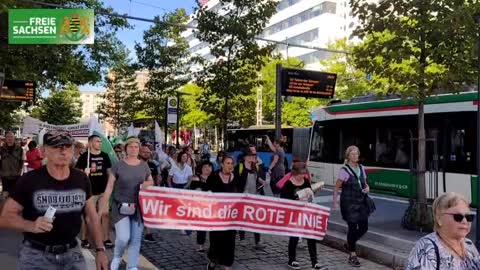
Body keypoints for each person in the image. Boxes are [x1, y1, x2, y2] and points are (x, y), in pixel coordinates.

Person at [0, 130, 108, 269]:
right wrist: (31, 225)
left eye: (67, 146)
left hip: (72, 254)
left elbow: (91, 216)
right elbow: (5, 218)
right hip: (37, 256)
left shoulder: (81, 179)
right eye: (56, 147)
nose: (63, 151)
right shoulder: (29, 180)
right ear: (44, 150)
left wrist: (100, 250)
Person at [98, 137, 154, 270]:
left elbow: (151, 181)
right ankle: (117, 256)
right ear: (126, 148)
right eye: (130, 146)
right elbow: (109, 187)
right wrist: (103, 206)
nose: (133, 149)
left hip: (138, 208)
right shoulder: (118, 165)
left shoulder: (144, 165)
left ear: (139, 149)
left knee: (135, 239)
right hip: (120, 207)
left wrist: (147, 183)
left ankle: (132, 266)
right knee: (123, 237)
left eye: (136, 147)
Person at [406, 192, 480, 270]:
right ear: (439, 219)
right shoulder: (427, 248)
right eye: (458, 217)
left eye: (469, 217)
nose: (465, 221)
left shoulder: (468, 244)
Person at [280, 162, 327, 270]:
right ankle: (291, 260)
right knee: (294, 237)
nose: (303, 176)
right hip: (294, 214)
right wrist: (297, 197)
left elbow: (310, 196)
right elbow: (283, 201)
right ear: (295, 173)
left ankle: (314, 262)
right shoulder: (288, 184)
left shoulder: (305, 181)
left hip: (306, 212)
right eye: (300, 173)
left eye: (304, 173)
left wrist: (313, 193)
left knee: (311, 237)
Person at [333, 145, 370, 267]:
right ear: (348, 156)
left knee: (364, 227)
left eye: (357, 154)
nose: (355, 156)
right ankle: (352, 255)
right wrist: (335, 201)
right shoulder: (344, 170)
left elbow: (364, 182)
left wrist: (367, 188)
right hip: (349, 203)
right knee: (352, 227)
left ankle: (350, 243)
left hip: (361, 201)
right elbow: (337, 186)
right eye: (353, 154)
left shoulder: (361, 167)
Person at [76, 134, 114, 249]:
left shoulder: (105, 156)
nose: (100, 143)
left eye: (100, 142)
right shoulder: (84, 157)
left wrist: (109, 186)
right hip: (90, 191)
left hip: (102, 191)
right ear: (91, 143)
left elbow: (109, 172)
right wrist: (84, 173)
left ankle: (106, 238)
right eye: (97, 141)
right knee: (88, 216)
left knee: (105, 214)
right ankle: (85, 238)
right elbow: (76, 173)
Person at [205, 155, 237, 270]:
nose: (230, 165)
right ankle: (213, 260)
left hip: (231, 217)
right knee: (216, 240)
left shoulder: (236, 178)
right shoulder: (213, 177)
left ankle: (227, 263)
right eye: (227, 163)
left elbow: (241, 195)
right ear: (222, 164)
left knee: (230, 241)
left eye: (231, 163)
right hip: (216, 216)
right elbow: (206, 193)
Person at [234, 145, 266, 249]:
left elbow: (257, 179)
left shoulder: (255, 167)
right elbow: (234, 181)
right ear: (245, 157)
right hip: (242, 197)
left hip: (254, 196)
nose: (253, 157)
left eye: (253, 155)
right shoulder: (239, 167)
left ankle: (258, 241)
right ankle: (242, 238)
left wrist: (262, 182)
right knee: (242, 218)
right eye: (251, 155)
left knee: (256, 219)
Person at [191, 160, 213, 253]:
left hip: (212, 206)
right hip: (200, 207)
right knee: (202, 228)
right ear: (201, 168)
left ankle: (213, 246)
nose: (207, 169)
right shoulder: (196, 178)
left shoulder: (215, 179)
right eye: (205, 167)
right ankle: (201, 245)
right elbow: (194, 191)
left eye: (209, 167)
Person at [140, 145, 161, 243]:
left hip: (149, 192)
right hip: (136, 192)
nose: (146, 154)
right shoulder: (136, 164)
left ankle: (148, 234)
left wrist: (157, 189)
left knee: (148, 212)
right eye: (144, 152)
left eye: (148, 152)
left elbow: (157, 177)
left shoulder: (153, 165)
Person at [0, 131, 24, 198]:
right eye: (8, 136)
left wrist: (20, 171)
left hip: (16, 176)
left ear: (14, 138)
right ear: (5, 138)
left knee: (16, 195)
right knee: (5, 195)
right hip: (5, 176)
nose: (9, 138)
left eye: (11, 136)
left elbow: (22, 161)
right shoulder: (1, 149)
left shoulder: (20, 149)